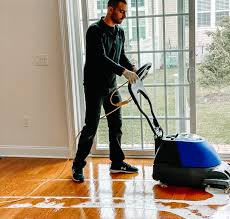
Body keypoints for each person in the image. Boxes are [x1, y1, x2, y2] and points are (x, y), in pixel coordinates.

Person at [72, 0, 139, 182]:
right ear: (110, 9)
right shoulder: (95, 31)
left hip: (111, 86)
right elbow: (100, 58)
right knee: (91, 126)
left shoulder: (120, 32)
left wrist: (131, 68)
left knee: (116, 124)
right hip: (94, 86)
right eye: (121, 11)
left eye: (125, 12)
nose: (124, 15)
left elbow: (120, 55)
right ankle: (77, 165)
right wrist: (123, 72)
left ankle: (117, 163)